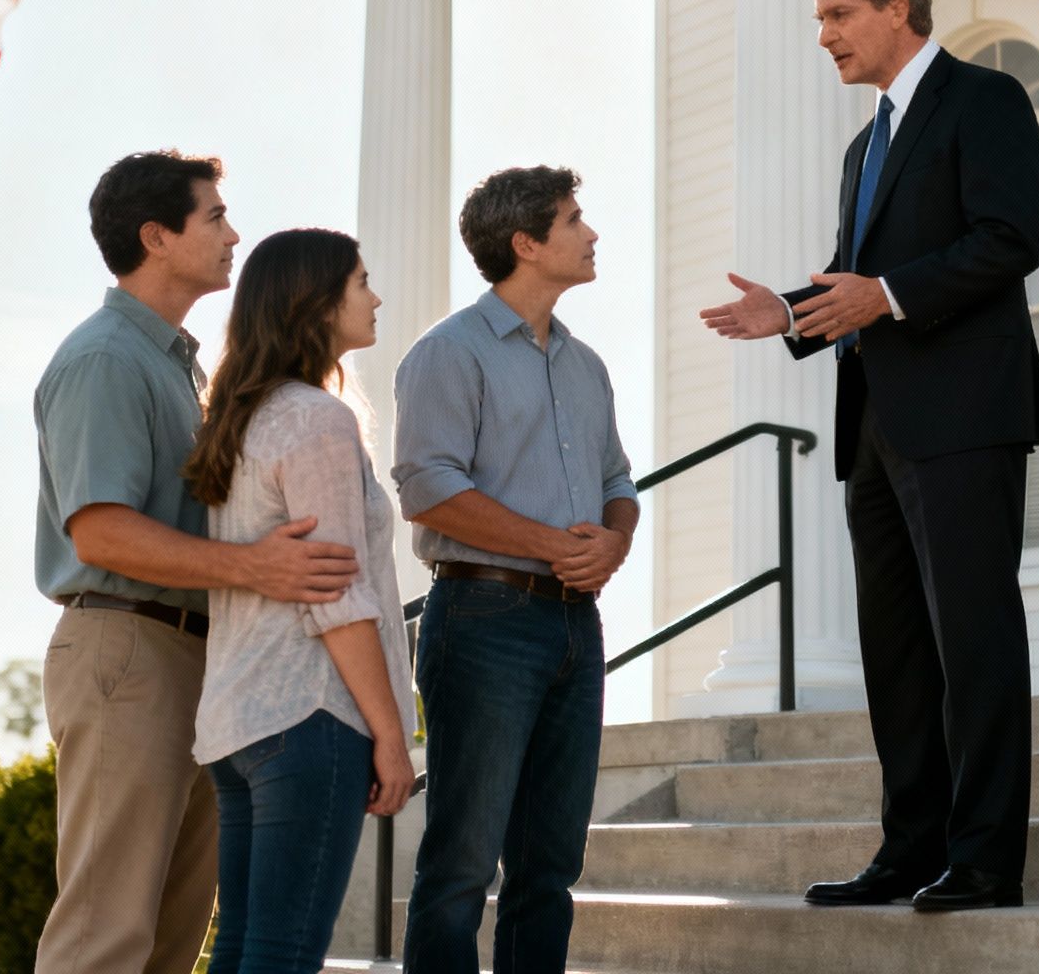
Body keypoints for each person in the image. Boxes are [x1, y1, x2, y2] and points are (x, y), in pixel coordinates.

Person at [700, 0, 1039, 913]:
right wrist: (787, 311)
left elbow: (1008, 239)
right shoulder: (864, 145)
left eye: (836, 15)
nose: (822, 37)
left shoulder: (984, 101)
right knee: (894, 649)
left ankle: (984, 859)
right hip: (873, 428)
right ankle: (909, 849)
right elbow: (847, 279)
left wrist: (886, 295)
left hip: (965, 418)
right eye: (820, 20)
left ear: (897, 9)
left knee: (972, 638)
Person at [32, 150, 361, 974]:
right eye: (213, 216)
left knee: (173, 942)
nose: (233, 234)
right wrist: (256, 566)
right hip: (128, 653)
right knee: (104, 935)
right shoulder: (107, 358)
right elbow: (100, 534)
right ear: (156, 236)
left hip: (198, 659)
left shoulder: (178, 365)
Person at [395, 166, 639, 973]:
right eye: (575, 220)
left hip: (577, 621)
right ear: (526, 243)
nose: (592, 233)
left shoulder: (586, 364)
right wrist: (552, 545)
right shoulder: (447, 353)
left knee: (551, 867)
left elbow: (617, 485)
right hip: (482, 621)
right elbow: (428, 490)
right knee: (462, 862)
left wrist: (614, 542)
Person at [184, 229, 418, 974]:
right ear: (316, 304)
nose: (375, 297)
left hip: (238, 724)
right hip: (310, 716)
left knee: (247, 945)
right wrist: (392, 733)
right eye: (361, 282)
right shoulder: (318, 420)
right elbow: (337, 594)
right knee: (284, 954)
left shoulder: (241, 416)